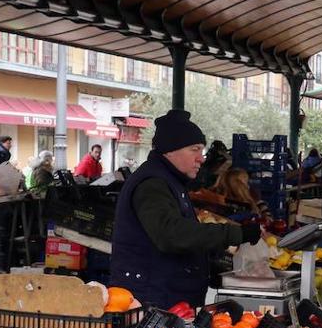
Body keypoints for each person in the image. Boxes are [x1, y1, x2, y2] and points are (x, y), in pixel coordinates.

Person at [109, 109, 261, 309]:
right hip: (149, 301)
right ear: (171, 150)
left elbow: (182, 237)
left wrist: (211, 266)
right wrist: (234, 233)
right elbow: (171, 234)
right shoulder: (152, 184)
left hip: (165, 297)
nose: (202, 158)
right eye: (195, 149)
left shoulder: (171, 181)